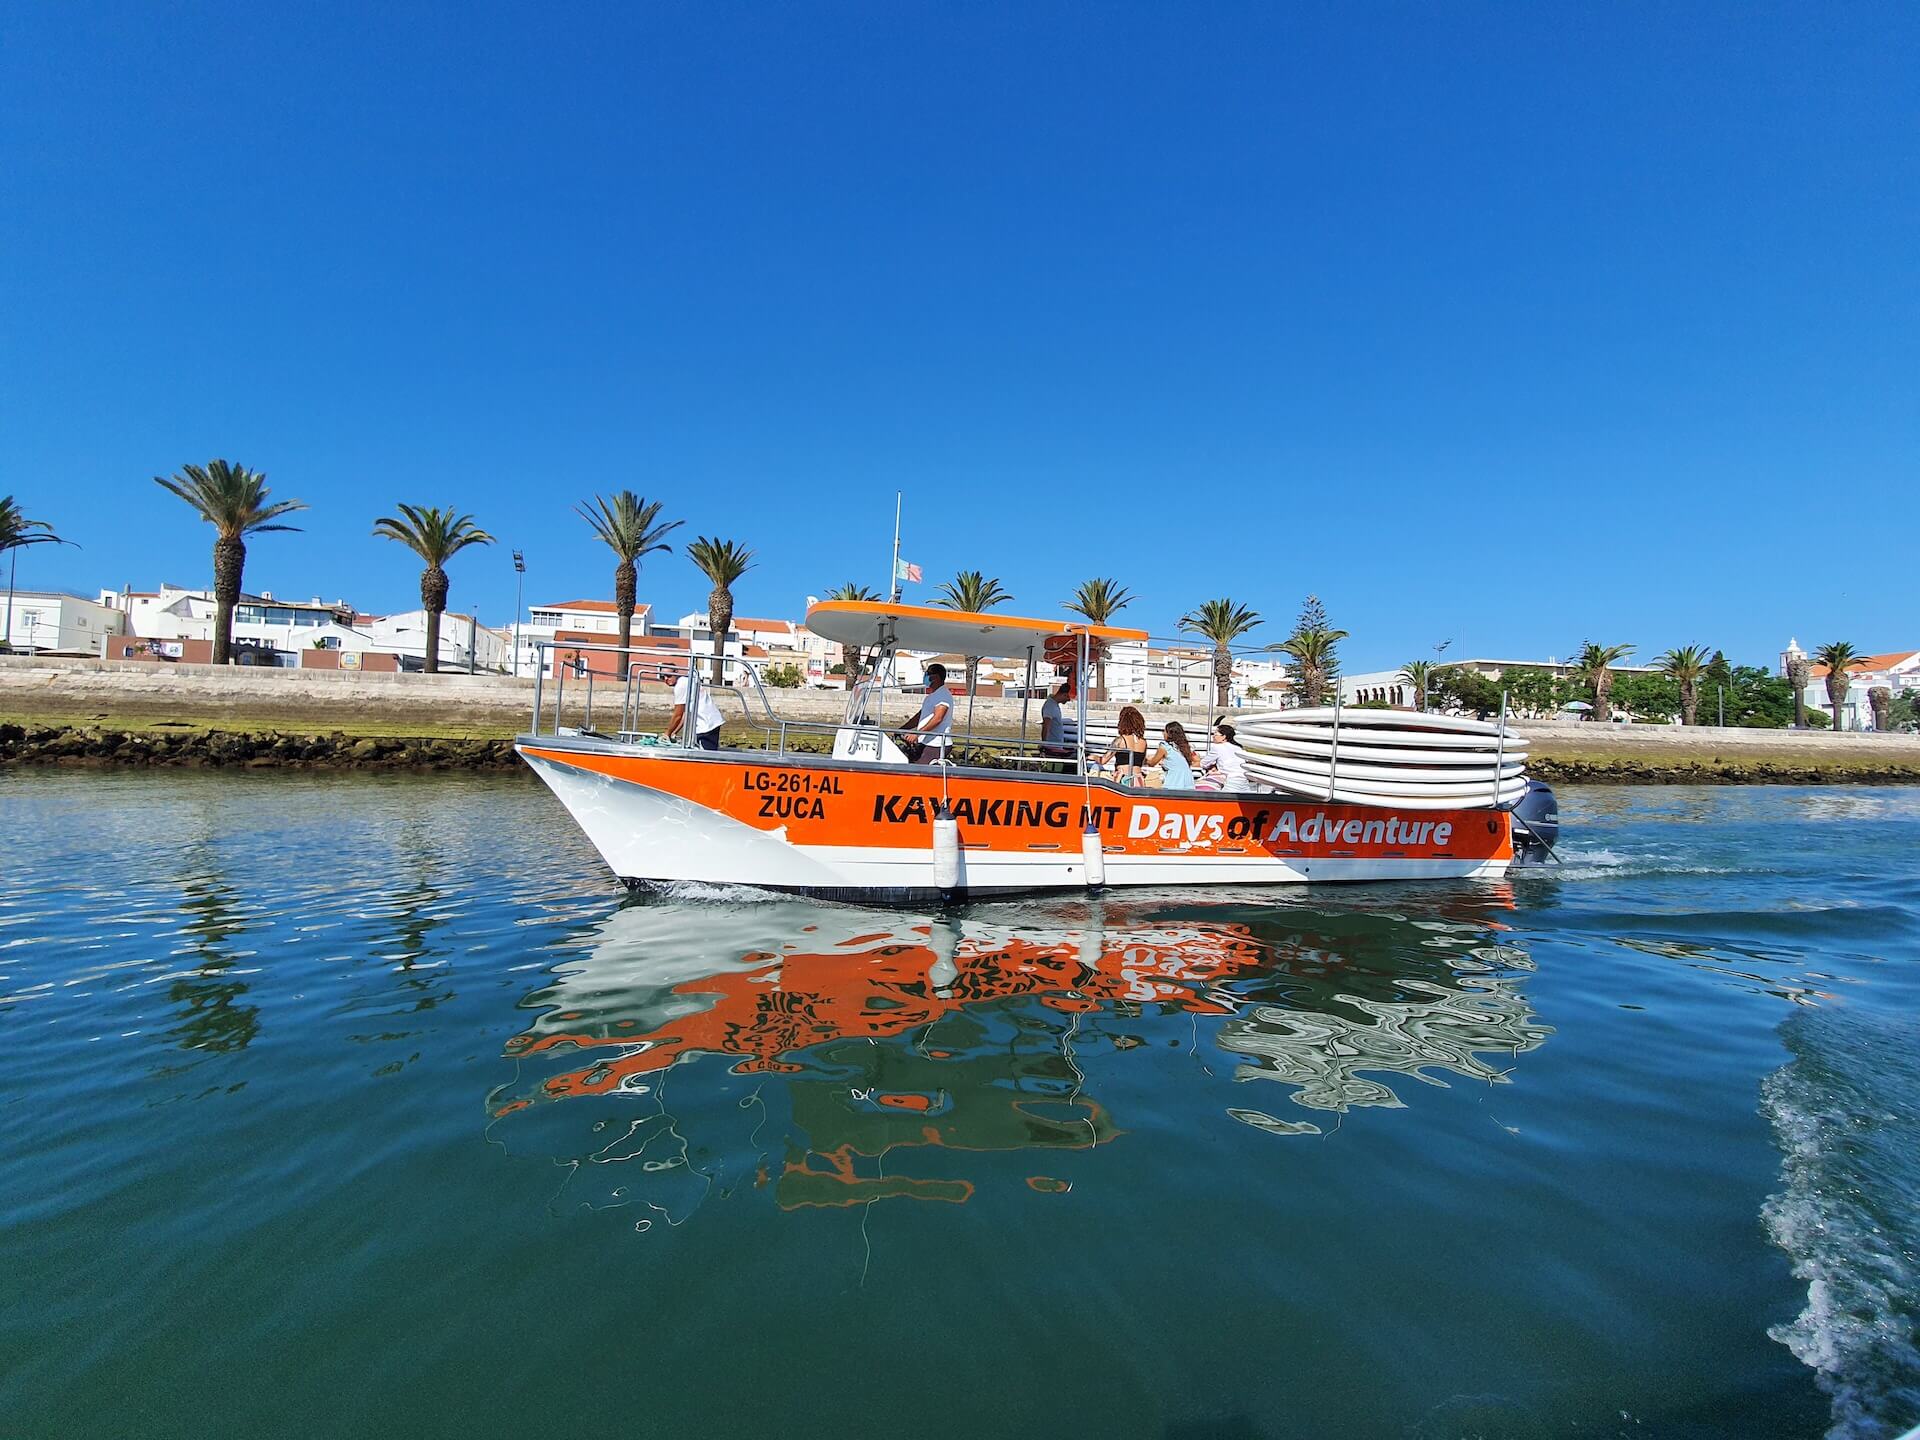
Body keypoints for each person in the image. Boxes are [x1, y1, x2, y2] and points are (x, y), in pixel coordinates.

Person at [900, 662, 954, 764]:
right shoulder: (932, 696)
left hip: (937, 744)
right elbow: (919, 716)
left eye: (928, 673)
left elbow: (938, 718)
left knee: (920, 772)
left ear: (936, 677)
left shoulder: (943, 695)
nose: (926, 676)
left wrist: (917, 733)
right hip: (926, 741)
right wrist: (902, 729)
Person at [669, 667, 725, 750]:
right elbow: (685, 714)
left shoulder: (680, 686)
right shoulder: (686, 681)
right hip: (710, 721)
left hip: (706, 724)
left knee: (706, 755)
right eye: (663, 677)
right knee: (705, 750)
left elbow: (678, 715)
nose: (666, 679)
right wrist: (674, 732)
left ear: (676, 672)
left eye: (668, 675)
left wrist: (667, 733)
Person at [1194, 718, 1248, 791]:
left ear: (1224, 737)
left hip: (1231, 781)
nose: (1213, 736)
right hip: (1244, 780)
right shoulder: (1239, 748)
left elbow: (1203, 764)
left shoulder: (1217, 747)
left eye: (1215, 734)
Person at [1101, 706, 1149, 785]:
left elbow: (1103, 760)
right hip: (1138, 780)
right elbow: (1141, 762)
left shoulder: (1120, 740)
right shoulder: (1143, 742)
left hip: (1122, 779)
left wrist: (1091, 756)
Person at [1148, 720, 1197, 790]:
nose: (1163, 733)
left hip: (1173, 782)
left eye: (1164, 731)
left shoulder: (1165, 747)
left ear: (1169, 733)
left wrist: (1145, 759)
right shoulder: (1184, 747)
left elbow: (1152, 763)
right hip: (1188, 783)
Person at [1039, 681, 1074, 757]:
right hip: (1052, 747)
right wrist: (1044, 745)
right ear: (1064, 694)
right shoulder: (1050, 706)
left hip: (1056, 746)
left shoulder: (1054, 705)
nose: (1068, 700)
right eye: (1068, 697)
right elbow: (1046, 725)